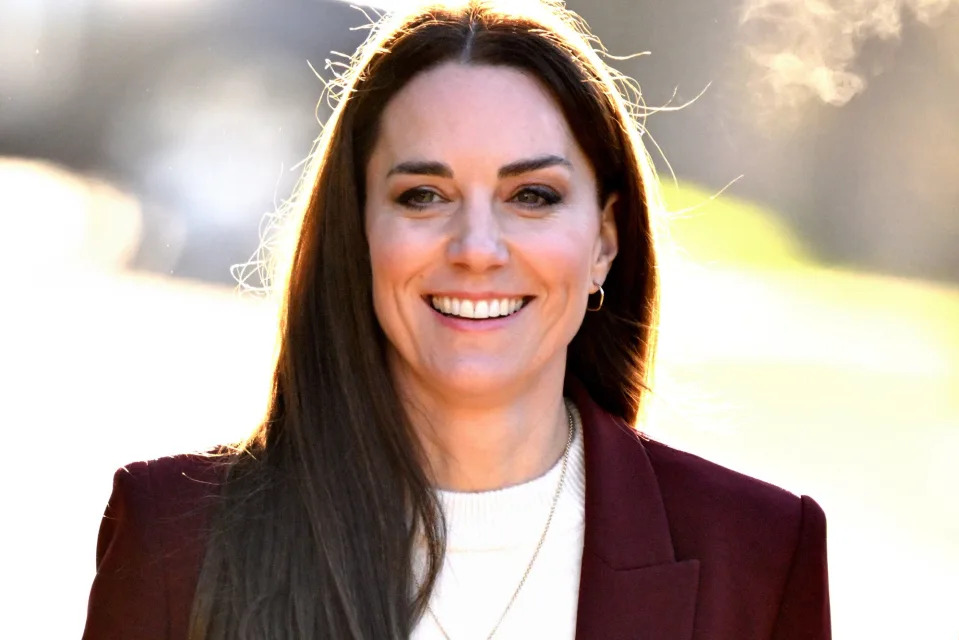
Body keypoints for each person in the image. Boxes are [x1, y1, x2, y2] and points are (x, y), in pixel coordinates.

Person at [83, 1, 831, 638]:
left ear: (605, 239)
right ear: (359, 231)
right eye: (423, 197)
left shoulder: (760, 555)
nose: (477, 249)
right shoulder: (173, 538)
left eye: (532, 195)